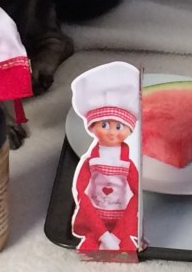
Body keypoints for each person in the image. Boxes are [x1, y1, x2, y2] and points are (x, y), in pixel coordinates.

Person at [70, 62, 141, 252]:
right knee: (89, 252)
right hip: (93, 222)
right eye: (104, 125)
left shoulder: (128, 163)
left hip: (122, 223)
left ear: (129, 130)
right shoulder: (89, 161)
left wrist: (117, 234)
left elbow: (137, 194)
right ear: (92, 127)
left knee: (126, 252)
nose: (111, 133)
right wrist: (102, 233)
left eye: (119, 127)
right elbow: (81, 194)